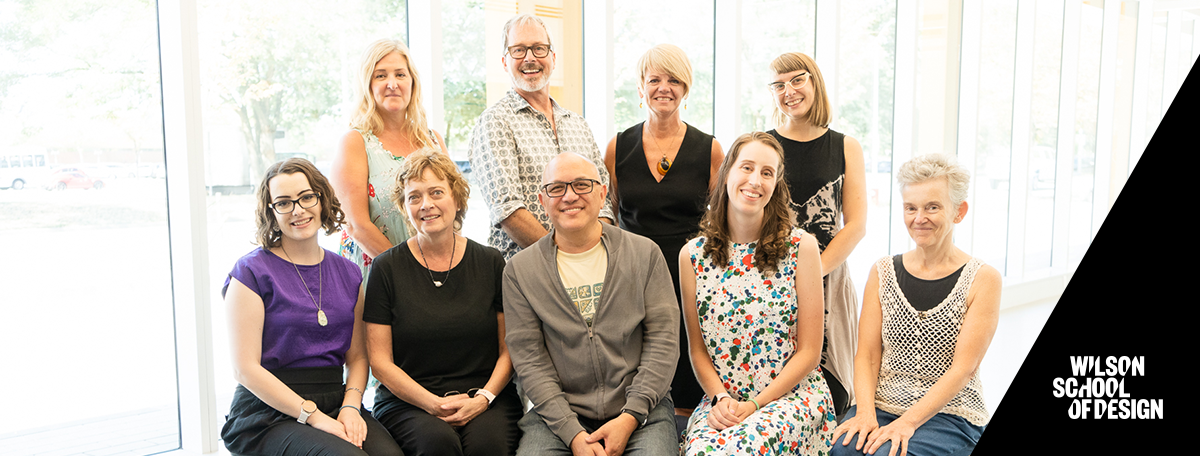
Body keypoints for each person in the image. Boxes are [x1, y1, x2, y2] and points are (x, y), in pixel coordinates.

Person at [220, 158, 402, 456]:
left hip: (336, 400)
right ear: (271, 212)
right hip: (267, 412)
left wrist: (351, 407)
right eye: (283, 203)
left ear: (321, 199)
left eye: (306, 197)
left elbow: (357, 357)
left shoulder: (348, 273)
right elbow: (245, 370)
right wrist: (313, 417)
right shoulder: (251, 272)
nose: (298, 210)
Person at [502, 152, 680, 455]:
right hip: (558, 417)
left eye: (582, 185)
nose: (569, 196)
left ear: (602, 193)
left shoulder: (644, 254)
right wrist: (572, 434)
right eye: (556, 188)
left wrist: (630, 417)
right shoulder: (520, 271)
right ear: (542, 201)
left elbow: (663, 341)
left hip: (641, 412)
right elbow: (530, 360)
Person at [830, 154, 999, 456]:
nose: (919, 218)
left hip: (950, 414)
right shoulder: (882, 271)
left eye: (932, 207)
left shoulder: (983, 279)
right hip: (882, 405)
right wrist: (865, 412)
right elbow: (867, 355)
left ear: (959, 212)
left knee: (889, 454)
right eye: (911, 208)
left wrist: (907, 422)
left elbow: (963, 369)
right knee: (842, 450)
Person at [680, 132, 836, 455]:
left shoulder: (801, 247)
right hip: (723, 400)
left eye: (767, 173)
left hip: (792, 397)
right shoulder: (692, 256)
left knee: (743, 451)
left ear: (776, 185)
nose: (755, 180)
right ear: (727, 174)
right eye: (746, 167)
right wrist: (721, 399)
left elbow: (809, 351)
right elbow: (697, 350)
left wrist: (755, 405)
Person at [364, 150, 521, 456]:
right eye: (414, 197)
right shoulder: (386, 267)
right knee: (437, 444)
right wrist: (433, 404)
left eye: (437, 192)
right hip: (408, 402)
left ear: (457, 199)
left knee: (487, 446)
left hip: (486, 396)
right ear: (404, 207)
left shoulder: (491, 262)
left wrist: (483, 398)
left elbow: (510, 349)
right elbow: (380, 364)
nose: (426, 205)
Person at [602, 43, 723, 424]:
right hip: (632, 274)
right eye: (654, 79)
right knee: (639, 370)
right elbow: (609, 214)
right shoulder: (617, 146)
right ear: (641, 88)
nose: (664, 87)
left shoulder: (711, 149)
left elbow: (721, 222)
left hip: (690, 275)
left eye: (674, 80)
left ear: (685, 88)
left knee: (687, 374)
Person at [766, 52, 867, 418]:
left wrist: (813, 272)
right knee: (774, 382)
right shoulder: (763, 143)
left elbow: (855, 224)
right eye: (778, 84)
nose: (788, 90)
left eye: (796, 80)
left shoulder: (845, 145)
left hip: (828, 276)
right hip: (769, 276)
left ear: (814, 82)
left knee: (831, 393)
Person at [468, 14, 614, 260]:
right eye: (518, 50)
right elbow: (508, 211)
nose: (529, 58)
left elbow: (604, 199)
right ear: (505, 62)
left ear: (553, 58)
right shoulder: (495, 122)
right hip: (525, 272)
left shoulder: (577, 124)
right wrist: (563, 258)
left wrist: (595, 257)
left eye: (539, 48)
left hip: (590, 269)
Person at [334, 38, 449, 278]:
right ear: (367, 85)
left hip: (436, 273)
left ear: (412, 82)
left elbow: (452, 210)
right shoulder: (355, 142)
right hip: (379, 276)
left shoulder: (434, 140)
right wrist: (411, 274)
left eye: (400, 74)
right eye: (381, 76)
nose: (392, 84)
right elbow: (356, 226)